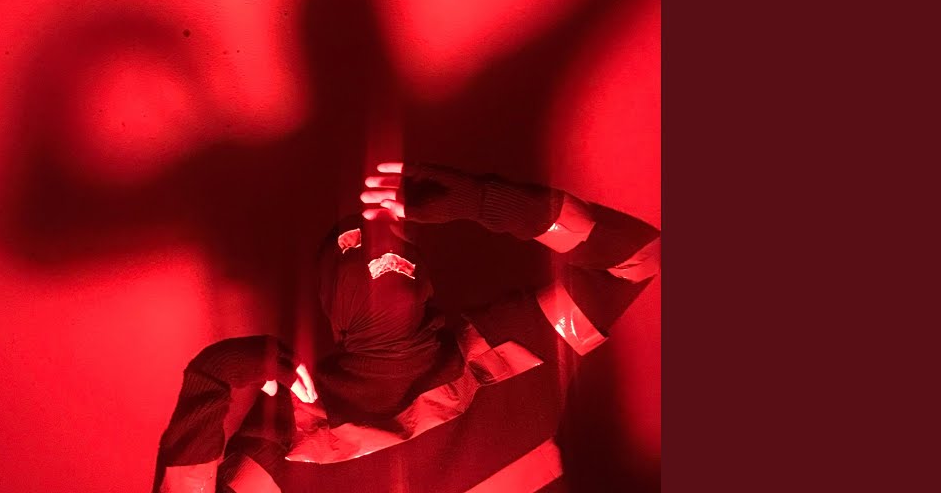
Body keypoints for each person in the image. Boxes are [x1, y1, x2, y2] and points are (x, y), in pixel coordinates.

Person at [152, 162, 661, 493]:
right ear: (331, 306)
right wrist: (209, 381)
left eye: (390, 234)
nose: (372, 243)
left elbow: (639, 259)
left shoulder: (514, 344)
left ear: (427, 281)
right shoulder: (288, 437)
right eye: (348, 243)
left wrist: (487, 202)